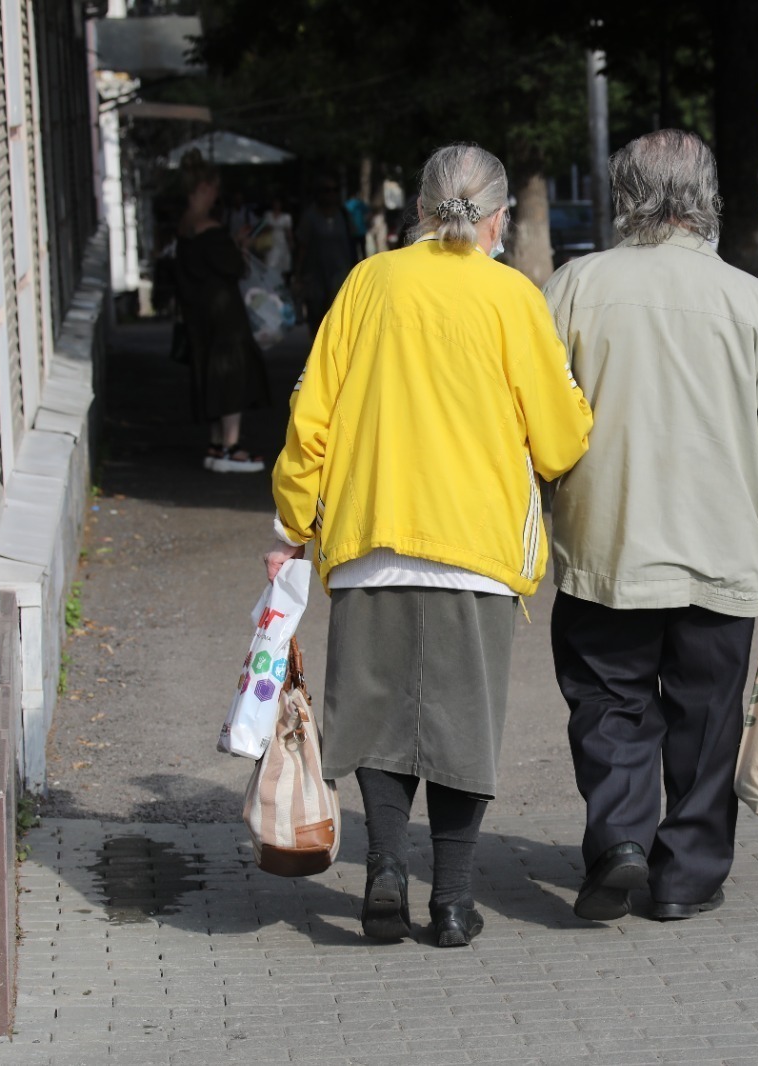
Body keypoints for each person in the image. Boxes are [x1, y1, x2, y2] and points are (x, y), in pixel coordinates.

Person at [266, 144, 593, 947]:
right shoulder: (514, 298)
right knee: (462, 725)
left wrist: (293, 526)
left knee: (376, 714)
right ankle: (451, 900)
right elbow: (557, 440)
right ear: (496, 219)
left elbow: (311, 422)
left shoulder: (367, 285)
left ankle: (383, 869)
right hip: (477, 547)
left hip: (372, 534)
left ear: (419, 208)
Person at [542, 130, 758, 923]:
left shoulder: (572, 287)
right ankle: (686, 878)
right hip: (721, 552)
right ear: (706, 198)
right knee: (706, 717)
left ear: (621, 194)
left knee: (608, 701)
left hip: (608, 546)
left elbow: (526, 419)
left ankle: (619, 842)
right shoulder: (751, 300)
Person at [174, 151, 271, 473]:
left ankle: (217, 443)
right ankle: (231, 447)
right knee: (233, 375)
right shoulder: (210, 229)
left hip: (199, 315)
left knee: (212, 373)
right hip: (224, 314)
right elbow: (231, 267)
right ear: (202, 187)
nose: (216, 194)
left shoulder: (185, 226)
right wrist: (239, 246)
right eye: (213, 188)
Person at [295, 177, 358, 337]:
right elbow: (301, 246)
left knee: (338, 316)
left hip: (341, 274)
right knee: (316, 316)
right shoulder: (310, 217)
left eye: (334, 190)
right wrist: (297, 274)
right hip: (315, 275)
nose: (331, 194)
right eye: (326, 190)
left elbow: (355, 242)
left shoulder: (344, 215)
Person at [256, 194, 294, 277]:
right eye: (275, 203)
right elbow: (261, 229)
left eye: (278, 203)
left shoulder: (286, 217)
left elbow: (288, 232)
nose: (276, 205)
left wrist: (291, 243)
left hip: (282, 244)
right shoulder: (267, 215)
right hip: (270, 242)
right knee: (270, 265)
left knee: (281, 268)